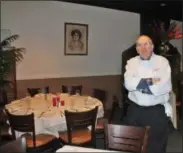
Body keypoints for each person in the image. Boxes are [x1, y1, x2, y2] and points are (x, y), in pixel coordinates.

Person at [123, 35, 172, 153]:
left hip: (156, 112)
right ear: (137, 49)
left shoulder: (162, 62)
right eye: (140, 45)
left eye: (147, 44)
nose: (143, 47)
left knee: (156, 147)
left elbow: (164, 86)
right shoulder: (131, 62)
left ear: (152, 46)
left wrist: (138, 86)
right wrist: (151, 81)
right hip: (135, 111)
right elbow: (129, 84)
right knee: (135, 146)